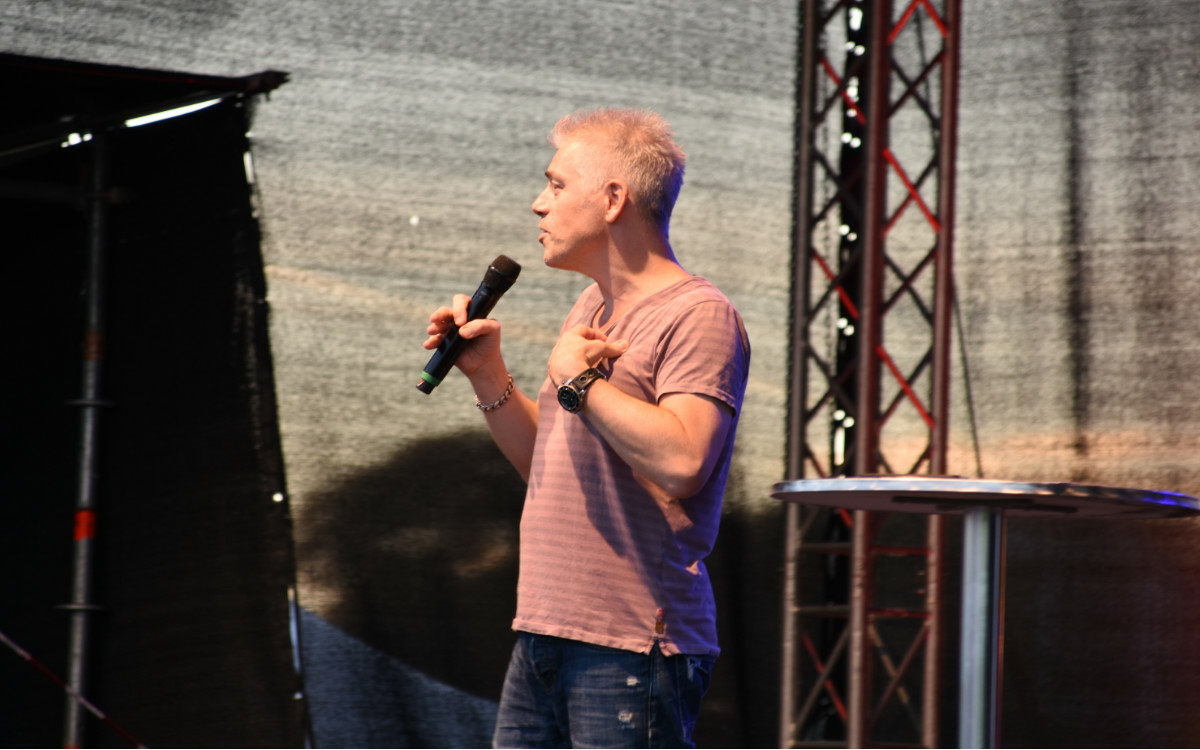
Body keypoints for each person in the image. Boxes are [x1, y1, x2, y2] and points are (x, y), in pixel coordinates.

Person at [423, 107, 750, 748]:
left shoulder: (699, 314)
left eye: (555, 184)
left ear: (612, 199)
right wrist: (489, 374)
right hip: (548, 628)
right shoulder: (593, 305)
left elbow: (685, 461)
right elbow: (553, 466)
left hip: (631, 644)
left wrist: (578, 384)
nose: (538, 204)